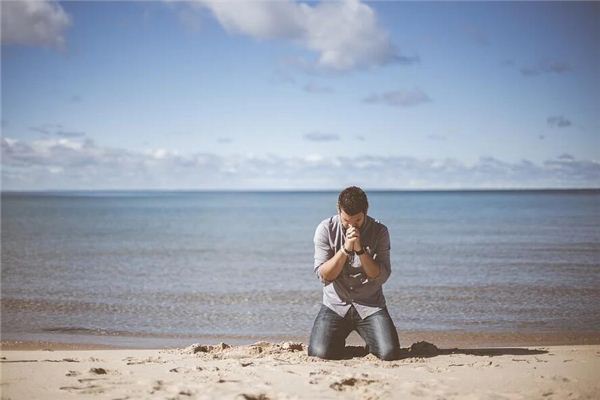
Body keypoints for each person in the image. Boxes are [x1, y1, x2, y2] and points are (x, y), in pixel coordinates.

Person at [308, 186, 400, 361]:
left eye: (357, 221)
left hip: (370, 305)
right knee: (318, 354)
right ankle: (335, 341)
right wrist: (345, 249)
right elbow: (324, 276)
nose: (351, 226)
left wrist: (359, 250)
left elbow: (380, 276)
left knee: (389, 353)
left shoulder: (380, 231)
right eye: (346, 220)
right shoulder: (326, 228)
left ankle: (372, 340)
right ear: (338, 211)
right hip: (335, 305)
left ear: (365, 212)